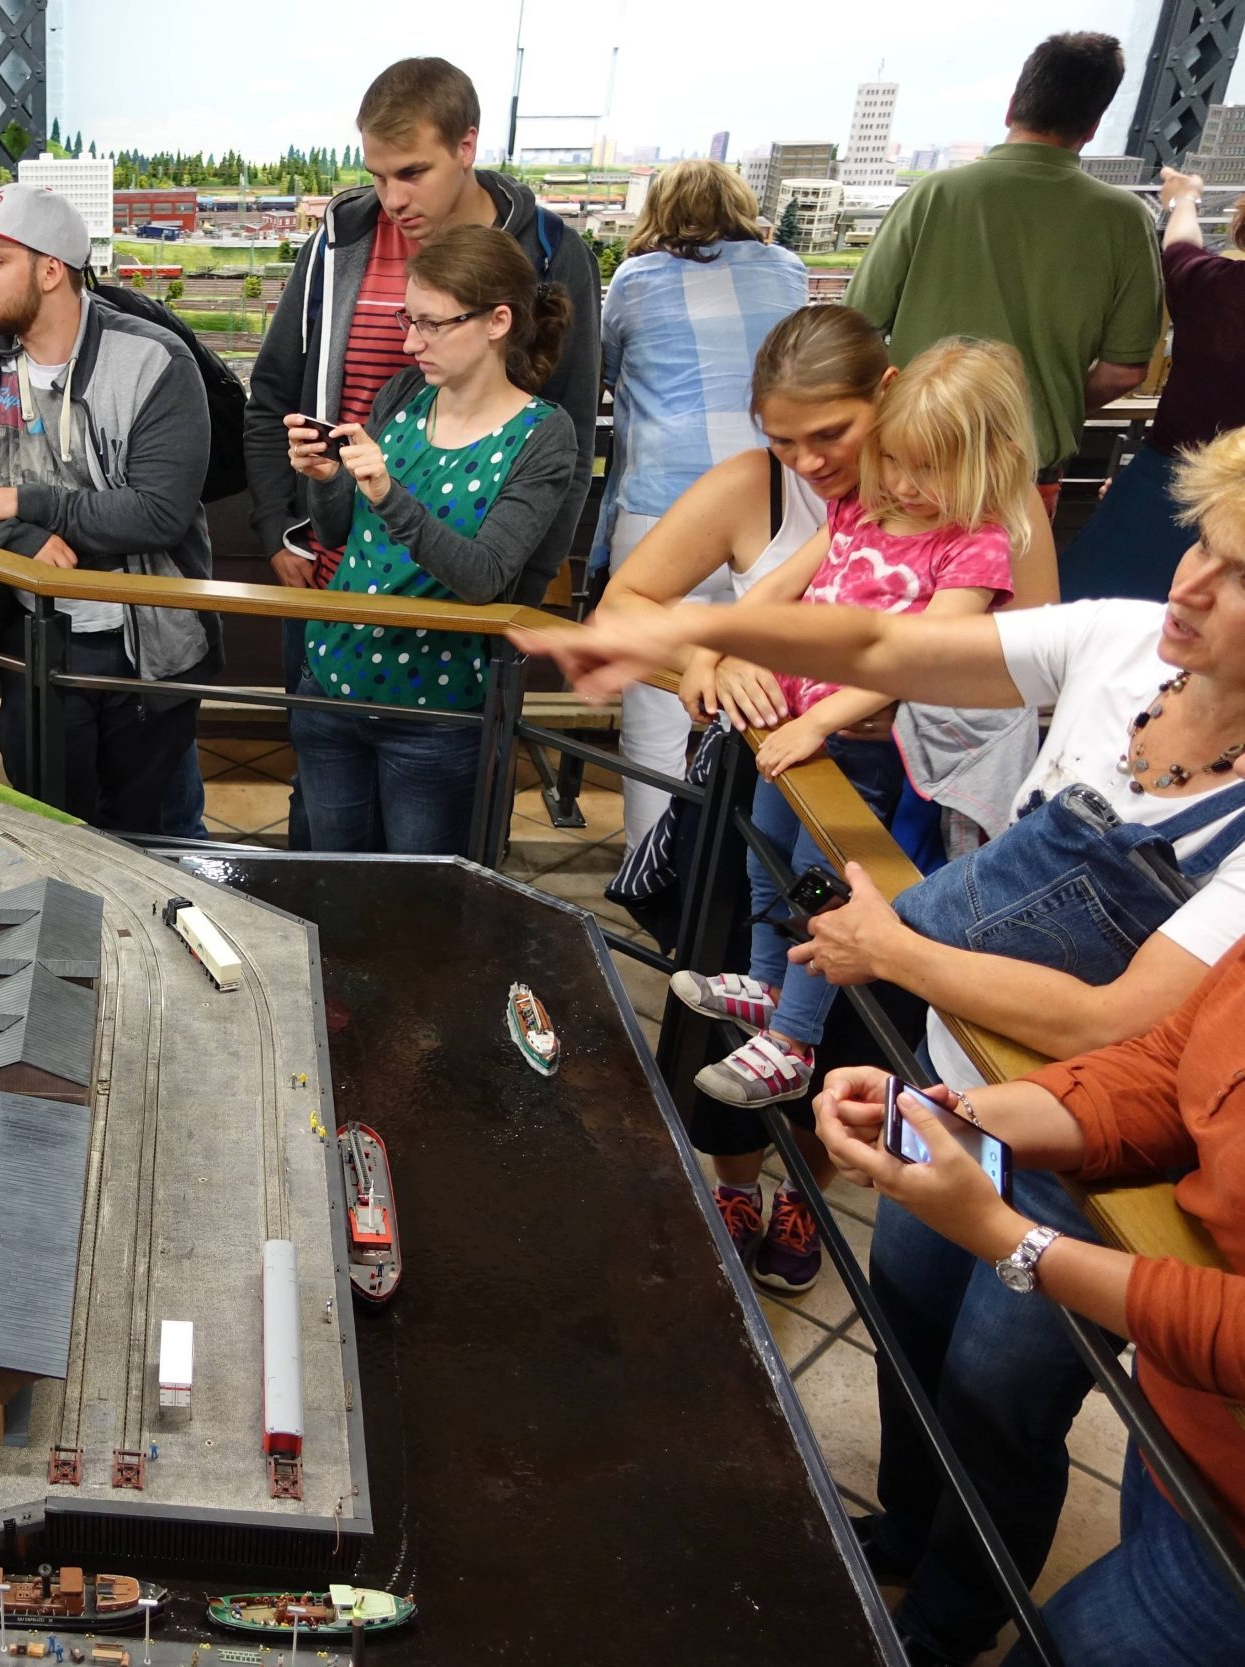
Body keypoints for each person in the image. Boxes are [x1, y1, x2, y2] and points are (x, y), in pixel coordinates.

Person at [517, 428, 1245, 1661]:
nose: (1188, 583)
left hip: (1089, 1177)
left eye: (1233, 575)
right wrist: (688, 633)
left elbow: (1119, 1021)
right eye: (1199, 546)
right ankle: (908, 1542)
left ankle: (956, 1614)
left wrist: (897, 954)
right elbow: (881, 645)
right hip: (964, 1087)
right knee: (910, 1340)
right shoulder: (1126, 641)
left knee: (1001, 1403)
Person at [662, 341, 1031, 1291]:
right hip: (793, 743)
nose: (900, 482)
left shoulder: (980, 540)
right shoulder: (866, 509)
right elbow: (776, 593)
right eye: (898, 462)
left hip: (857, 762)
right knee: (767, 872)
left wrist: (819, 715)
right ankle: (761, 989)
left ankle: (790, 1037)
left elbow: (913, 655)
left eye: (921, 465)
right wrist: (722, 645)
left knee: (821, 901)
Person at [809, 971, 1245, 1667]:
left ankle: (950, 1621)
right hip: (1190, 1421)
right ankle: (912, 1545)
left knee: (1064, 1638)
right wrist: (944, 1119)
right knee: (919, 1355)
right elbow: (1173, 1064)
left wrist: (1010, 1239)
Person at [243, 55, 603, 847]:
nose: (392, 198)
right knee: (327, 837)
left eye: (412, 172)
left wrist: (511, 591)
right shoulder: (339, 244)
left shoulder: (548, 252)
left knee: (434, 859)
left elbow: (565, 444)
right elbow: (271, 392)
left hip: (452, 635)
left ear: (468, 145)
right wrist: (285, 522)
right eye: (377, 175)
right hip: (336, 593)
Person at [0, 186, 217, 834]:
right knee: (51, 831)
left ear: (50, 270)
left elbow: (158, 514)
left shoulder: (153, 361)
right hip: (33, 641)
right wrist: (15, 532)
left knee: (149, 835)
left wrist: (27, 499)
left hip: (143, 648)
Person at [279, 225, 577, 854]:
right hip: (329, 680)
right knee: (334, 881)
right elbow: (339, 533)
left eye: (432, 324)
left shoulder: (544, 433)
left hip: (435, 713)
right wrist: (327, 479)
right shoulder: (406, 393)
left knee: (419, 903)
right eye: (406, 320)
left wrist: (388, 494)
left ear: (498, 321)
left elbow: (484, 575)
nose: (411, 342)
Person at [592, 161, 810, 853]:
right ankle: (741, 874)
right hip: (772, 512)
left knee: (655, 711)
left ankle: (650, 870)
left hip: (662, 510)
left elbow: (605, 367)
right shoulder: (788, 270)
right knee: (763, 701)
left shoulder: (635, 279)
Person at [846, 31, 1162, 503]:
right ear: (1093, 126)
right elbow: (1123, 371)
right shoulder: (1127, 218)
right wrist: (1041, 408)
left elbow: (855, 328)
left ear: (1012, 106)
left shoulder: (935, 195)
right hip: (1025, 473)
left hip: (911, 467)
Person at [1060, 166, 1245, 602]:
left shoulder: (1215, 288)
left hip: (1169, 485)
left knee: (1091, 613)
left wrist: (1185, 197)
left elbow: (1180, 248)